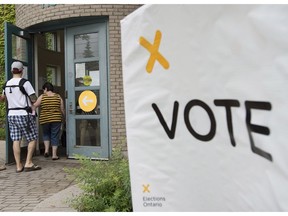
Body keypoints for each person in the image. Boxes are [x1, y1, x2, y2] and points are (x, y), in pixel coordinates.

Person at [0, 61, 41, 172]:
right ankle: (28, 163)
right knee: (32, 138)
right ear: (22, 70)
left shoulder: (6, 83)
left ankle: (18, 166)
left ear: (11, 71)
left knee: (16, 140)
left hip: (11, 115)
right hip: (24, 115)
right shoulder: (25, 83)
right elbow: (34, 98)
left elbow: (2, 98)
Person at [33, 82, 65, 160]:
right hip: (56, 119)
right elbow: (62, 109)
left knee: (46, 134)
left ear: (46, 89)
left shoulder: (42, 96)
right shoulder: (58, 97)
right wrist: (64, 118)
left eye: (43, 89)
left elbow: (34, 106)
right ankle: (54, 155)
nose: (43, 91)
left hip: (45, 119)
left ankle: (46, 150)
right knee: (55, 136)